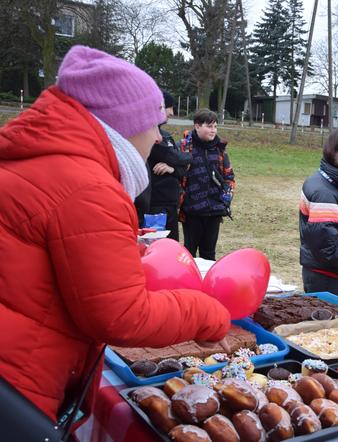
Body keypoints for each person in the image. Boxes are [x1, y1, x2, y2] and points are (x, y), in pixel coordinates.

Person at [0, 46, 231, 424]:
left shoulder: (39, 160)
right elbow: (121, 316)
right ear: (124, 124)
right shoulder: (87, 186)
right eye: (153, 124)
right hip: (21, 381)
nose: (158, 138)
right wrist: (207, 313)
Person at [299, 128, 338, 299]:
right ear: (334, 151)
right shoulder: (323, 192)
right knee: (332, 323)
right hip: (326, 276)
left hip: (336, 272)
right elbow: (328, 249)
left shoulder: (334, 182)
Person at [179, 109, 235, 261]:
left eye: (215, 127)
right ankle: (188, 283)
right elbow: (177, 173)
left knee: (209, 254)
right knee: (189, 253)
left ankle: (208, 284)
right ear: (197, 126)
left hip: (215, 210)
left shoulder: (220, 149)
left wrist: (226, 199)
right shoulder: (184, 147)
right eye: (209, 126)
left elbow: (229, 176)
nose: (213, 130)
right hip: (192, 210)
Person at [144, 90, 191, 241]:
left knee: (172, 246)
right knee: (155, 247)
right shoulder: (148, 135)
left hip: (172, 204)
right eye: (168, 109)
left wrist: (172, 169)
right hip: (154, 206)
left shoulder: (166, 136)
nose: (170, 115)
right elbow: (176, 156)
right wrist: (189, 157)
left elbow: (183, 168)